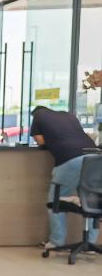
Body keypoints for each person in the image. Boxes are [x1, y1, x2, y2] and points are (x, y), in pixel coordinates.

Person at [30, 106, 99, 252]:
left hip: (70, 158)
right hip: (94, 157)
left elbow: (40, 141)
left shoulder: (38, 116)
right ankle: (91, 244)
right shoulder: (68, 115)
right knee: (91, 200)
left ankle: (57, 242)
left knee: (55, 200)